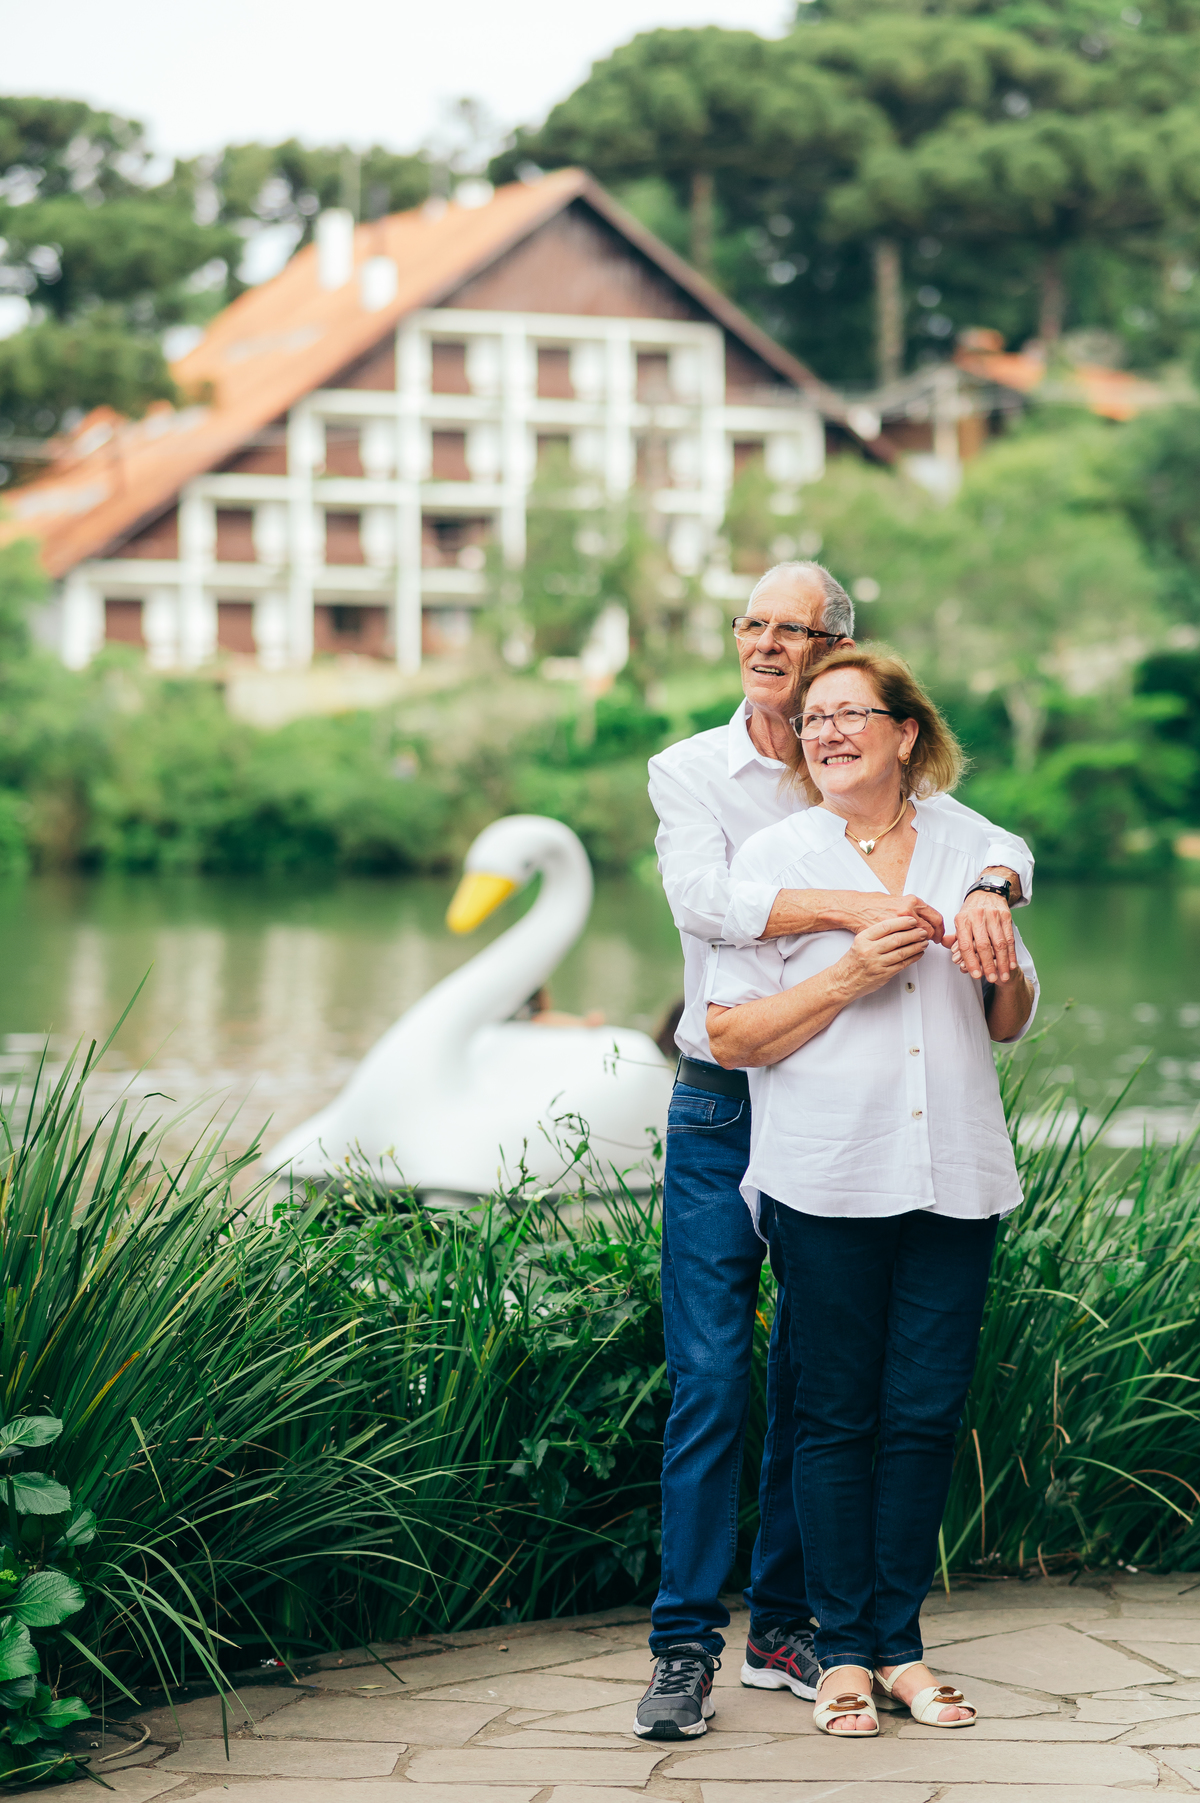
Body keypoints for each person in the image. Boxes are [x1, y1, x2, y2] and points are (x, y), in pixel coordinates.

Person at [635, 562, 1034, 1741]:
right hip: (748, 1117)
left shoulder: (961, 835)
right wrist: (860, 927)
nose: (768, 648)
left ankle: (833, 1638)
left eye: (795, 635)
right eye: (750, 625)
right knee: (729, 1382)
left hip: (929, 1154)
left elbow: (1005, 938)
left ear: (896, 723)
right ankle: (703, 1646)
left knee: (879, 1399)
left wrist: (996, 904)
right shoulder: (715, 793)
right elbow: (710, 929)